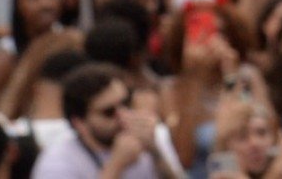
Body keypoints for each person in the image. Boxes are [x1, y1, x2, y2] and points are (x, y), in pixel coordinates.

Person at [28, 63, 173, 179]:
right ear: (79, 123)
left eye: (126, 103)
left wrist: (155, 153)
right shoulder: (58, 163)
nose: (123, 116)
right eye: (109, 112)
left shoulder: (146, 142)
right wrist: (116, 166)